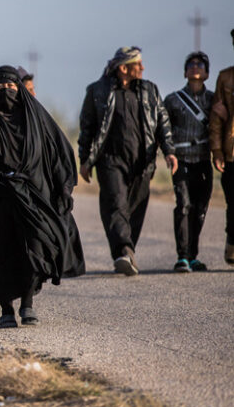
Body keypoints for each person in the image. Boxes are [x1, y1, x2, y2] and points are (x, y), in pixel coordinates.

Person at [0, 66, 84, 327]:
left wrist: (64, 188)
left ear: (20, 89)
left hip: (32, 197)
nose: (6, 91)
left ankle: (27, 303)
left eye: (11, 86)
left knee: (35, 248)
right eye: (0, 87)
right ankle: (5, 308)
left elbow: (57, 154)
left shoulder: (35, 118)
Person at [79, 46, 177, 276]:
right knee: (116, 204)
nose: (142, 67)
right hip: (110, 160)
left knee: (135, 208)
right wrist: (85, 160)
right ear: (124, 68)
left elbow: (162, 122)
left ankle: (126, 251)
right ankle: (123, 250)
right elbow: (87, 128)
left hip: (142, 162)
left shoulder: (149, 90)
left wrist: (169, 151)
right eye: (137, 64)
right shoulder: (97, 91)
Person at [164, 52, 214, 272]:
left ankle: (193, 255)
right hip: (181, 161)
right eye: (191, 65)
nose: (195, 67)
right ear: (185, 72)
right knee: (184, 205)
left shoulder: (214, 100)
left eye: (200, 65)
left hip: (203, 161)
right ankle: (182, 256)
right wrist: (168, 152)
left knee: (200, 208)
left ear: (207, 73)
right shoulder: (173, 100)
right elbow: (164, 130)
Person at [209, 28, 234, 265]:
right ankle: (232, 240)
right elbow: (216, 118)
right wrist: (216, 150)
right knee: (233, 202)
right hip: (231, 151)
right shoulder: (225, 78)